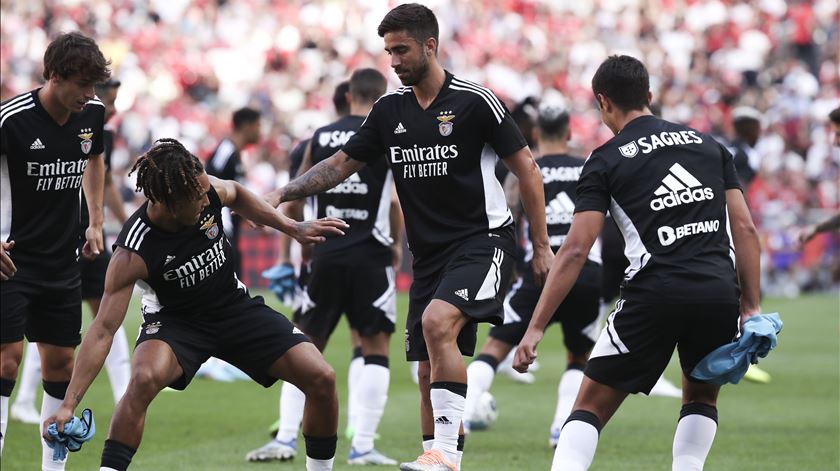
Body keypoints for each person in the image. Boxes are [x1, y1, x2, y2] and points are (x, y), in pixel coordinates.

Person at [264, 5, 553, 470]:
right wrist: (282, 192)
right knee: (426, 372)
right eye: (388, 52)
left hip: (484, 242)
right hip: (430, 257)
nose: (393, 61)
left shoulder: (476, 102)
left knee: (438, 324)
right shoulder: (388, 110)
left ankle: (445, 458)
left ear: (430, 45)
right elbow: (339, 165)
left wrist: (540, 245)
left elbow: (529, 171)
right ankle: (440, 456)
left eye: (401, 50)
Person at [514, 55, 761, 471]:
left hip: (654, 294)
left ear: (603, 102)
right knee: (700, 395)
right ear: (649, 95)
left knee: (589, 405)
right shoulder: (708, 146)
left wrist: (535, 326)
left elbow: (574, 250)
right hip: (718, 292)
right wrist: (750, 307)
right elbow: (746, 230)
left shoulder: (605, 159)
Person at [43, 138, 347, 471]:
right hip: (176, 323)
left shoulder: (205, 190)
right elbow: (102, 330)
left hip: (234, 308)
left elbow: (235, 192)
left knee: (322, 377)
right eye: (197, 197)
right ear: (167, 201)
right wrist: (68, 404)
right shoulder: (133, 251)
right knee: (143, 379)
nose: (207, 201)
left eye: (205, 192)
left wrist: (292, 227)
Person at [247, 68, 403, 466]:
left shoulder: (319, 138)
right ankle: (364, 445)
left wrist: (290, 249)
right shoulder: (387, 133)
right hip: (372, 252)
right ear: (383, 94)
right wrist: (398, 246)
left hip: (324, 250)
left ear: (348, 94)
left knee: (303, 345)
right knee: (374, 347)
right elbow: (397, 202)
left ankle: (284, 438)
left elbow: (299, 197)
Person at [463, 96, 603, 446]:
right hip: (586, 271)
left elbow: (509, 218)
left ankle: (460, 414)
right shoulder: (589, 166)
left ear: (537, 132)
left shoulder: (524, 169)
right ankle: (560, 428)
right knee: (579, 355)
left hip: (540, 270)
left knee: (495, 346)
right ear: (569, 131)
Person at [0, 31, 109, 470]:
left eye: (94, 85)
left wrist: (97, 219)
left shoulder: (92, 114)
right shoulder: (11, 120)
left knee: (61, 364)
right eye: (82, 84)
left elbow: (95, 159)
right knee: (7, 360)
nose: (90, 94)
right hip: (10, 259)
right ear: (54, 76)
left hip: (62, 259)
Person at [11, 78, 131, 426]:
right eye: (111, 100)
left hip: (86, 241)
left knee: (106, 314)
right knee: (41, 334)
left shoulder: (97, 129)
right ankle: (22, 399)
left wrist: (106, 221)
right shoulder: (24, 123)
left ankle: (124, 391)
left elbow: (103, 179)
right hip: (41, 244)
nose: (112, 108)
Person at [206, 106, 262, 276]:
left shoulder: (235, 154)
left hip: (229, 227)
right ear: (246, 126)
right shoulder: (225, 151)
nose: (261, 132)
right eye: (258, 126)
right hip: (220, 227)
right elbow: (208, 183)